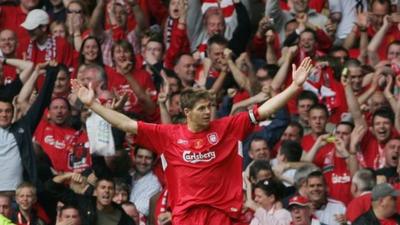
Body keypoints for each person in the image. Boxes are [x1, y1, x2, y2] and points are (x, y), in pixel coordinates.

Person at [73, 57, 314, 224]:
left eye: (210, 106)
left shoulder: (227, 127)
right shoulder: (169, 135)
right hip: (187, 217)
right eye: (202, 108)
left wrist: (294, 87)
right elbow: (125, 123)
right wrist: (92, 104)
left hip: (222, 214)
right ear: (187, 112)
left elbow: (263, 110)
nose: (209, 112)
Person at [0, 64, 58, 191]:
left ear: (13, 111)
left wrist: (52, 72)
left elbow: (41, 103)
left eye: (7, 111)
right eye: (0, 111)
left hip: (19, 196)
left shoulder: (22, 128)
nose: (4, 114)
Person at [46, 173, 135, 225]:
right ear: (96, 191)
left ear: (114, 193)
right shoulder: (84, 203)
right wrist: (67, 175)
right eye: (103, 187)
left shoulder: (123, 218)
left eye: (110, 188)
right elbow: (51, 187)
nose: (106, 191)